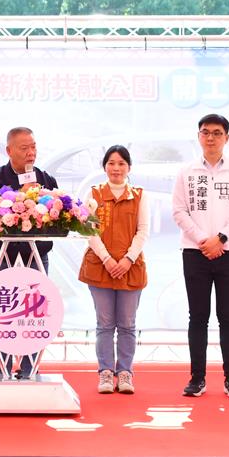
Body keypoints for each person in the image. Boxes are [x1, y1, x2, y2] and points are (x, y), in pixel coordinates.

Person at [172, 114, 229, 398]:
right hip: (195, 252)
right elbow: (179, 211)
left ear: (226, 138)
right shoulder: (186, 172)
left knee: (228, 317)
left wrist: (221, 238)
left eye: (217, 133)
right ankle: (197, 378)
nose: (211, 138)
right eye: (205, 132)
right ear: (198, 136)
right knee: (198, 317)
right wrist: (202, 240)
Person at [0, 126, 58, 376]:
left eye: (33, 147)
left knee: (35, 315)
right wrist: (19, 198)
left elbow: (57, 220)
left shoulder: (46, 180)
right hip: (4, 256)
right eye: (24, 148)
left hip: (36, 256)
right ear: (9, 151)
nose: (30, 153)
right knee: (0, 311)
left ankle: (30, 370)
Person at [78, 145, 148, 394]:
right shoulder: (94, 193)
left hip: (130, 267)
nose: (116, 168)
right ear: (104, 166)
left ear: (129, 167)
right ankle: (106, 373)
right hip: (100, 266)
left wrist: (128, 259)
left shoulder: (139, 195)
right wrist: (107, 259)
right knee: (105, 324)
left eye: (121, 163)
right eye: (111, 163)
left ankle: (125, 372)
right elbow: (88, 230)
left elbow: (143, 231)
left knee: (127, 324)